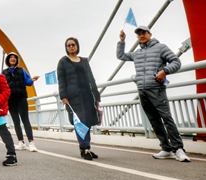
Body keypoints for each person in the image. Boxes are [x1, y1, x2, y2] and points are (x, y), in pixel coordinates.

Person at [117, 26, 190, 162]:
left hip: (157, 89)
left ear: (150, 34)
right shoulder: (137, 53)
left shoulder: (161, 48)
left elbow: (176, 62)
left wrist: (164, 71)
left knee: (166, 119)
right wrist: (122, 41)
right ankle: (166, 148)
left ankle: (179, 149)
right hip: (142, 90)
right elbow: (120, 56)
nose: (141, 36)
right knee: (154, 121)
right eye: (139, 34)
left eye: (144, 33)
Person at [57, 37, 101, 161]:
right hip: (73, 96)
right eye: (69, 45)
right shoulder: (63, 62)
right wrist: (63, 96)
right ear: (66, 48)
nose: (71, 47)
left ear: (77, 46)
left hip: (87, 94)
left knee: (88, 121)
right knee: (80, 121)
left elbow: (91, 78)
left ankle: (87, 148)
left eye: (73, 44)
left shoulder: (84, 61)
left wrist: (96, 95)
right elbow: (61, 80)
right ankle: (84, 147)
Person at [2, 52, 40, 152]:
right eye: (11, 57)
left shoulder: (21, 70)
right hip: (10, 99)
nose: (13, 59)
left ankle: (31, 142)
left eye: (14, 57)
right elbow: (1, 85)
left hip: (21, 98)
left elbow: (28, 82)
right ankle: (21, 142)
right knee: (16, 121)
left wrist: (32, 80)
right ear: (8, 60)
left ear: (17, 60)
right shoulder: (4, 73)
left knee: (25, 119)